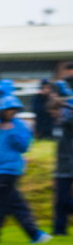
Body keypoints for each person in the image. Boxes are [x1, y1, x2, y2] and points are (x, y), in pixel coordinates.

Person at [0, 95, 51, 245]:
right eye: (8, 110)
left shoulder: (19, 125)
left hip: (11, 170)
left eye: (14, 110)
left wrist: (12, 133)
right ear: (2, 110)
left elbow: (24, 147)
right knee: (15, 204)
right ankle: (35, 234)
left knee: (0, 205)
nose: (11, 112)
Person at [52, 81, 73, 236]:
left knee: (63, 201)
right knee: (60, 201)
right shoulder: (58, 119)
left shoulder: (68, 115)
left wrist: (67, 105)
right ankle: (59, 231)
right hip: (61, 166)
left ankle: (60, 229)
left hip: (70, 164)